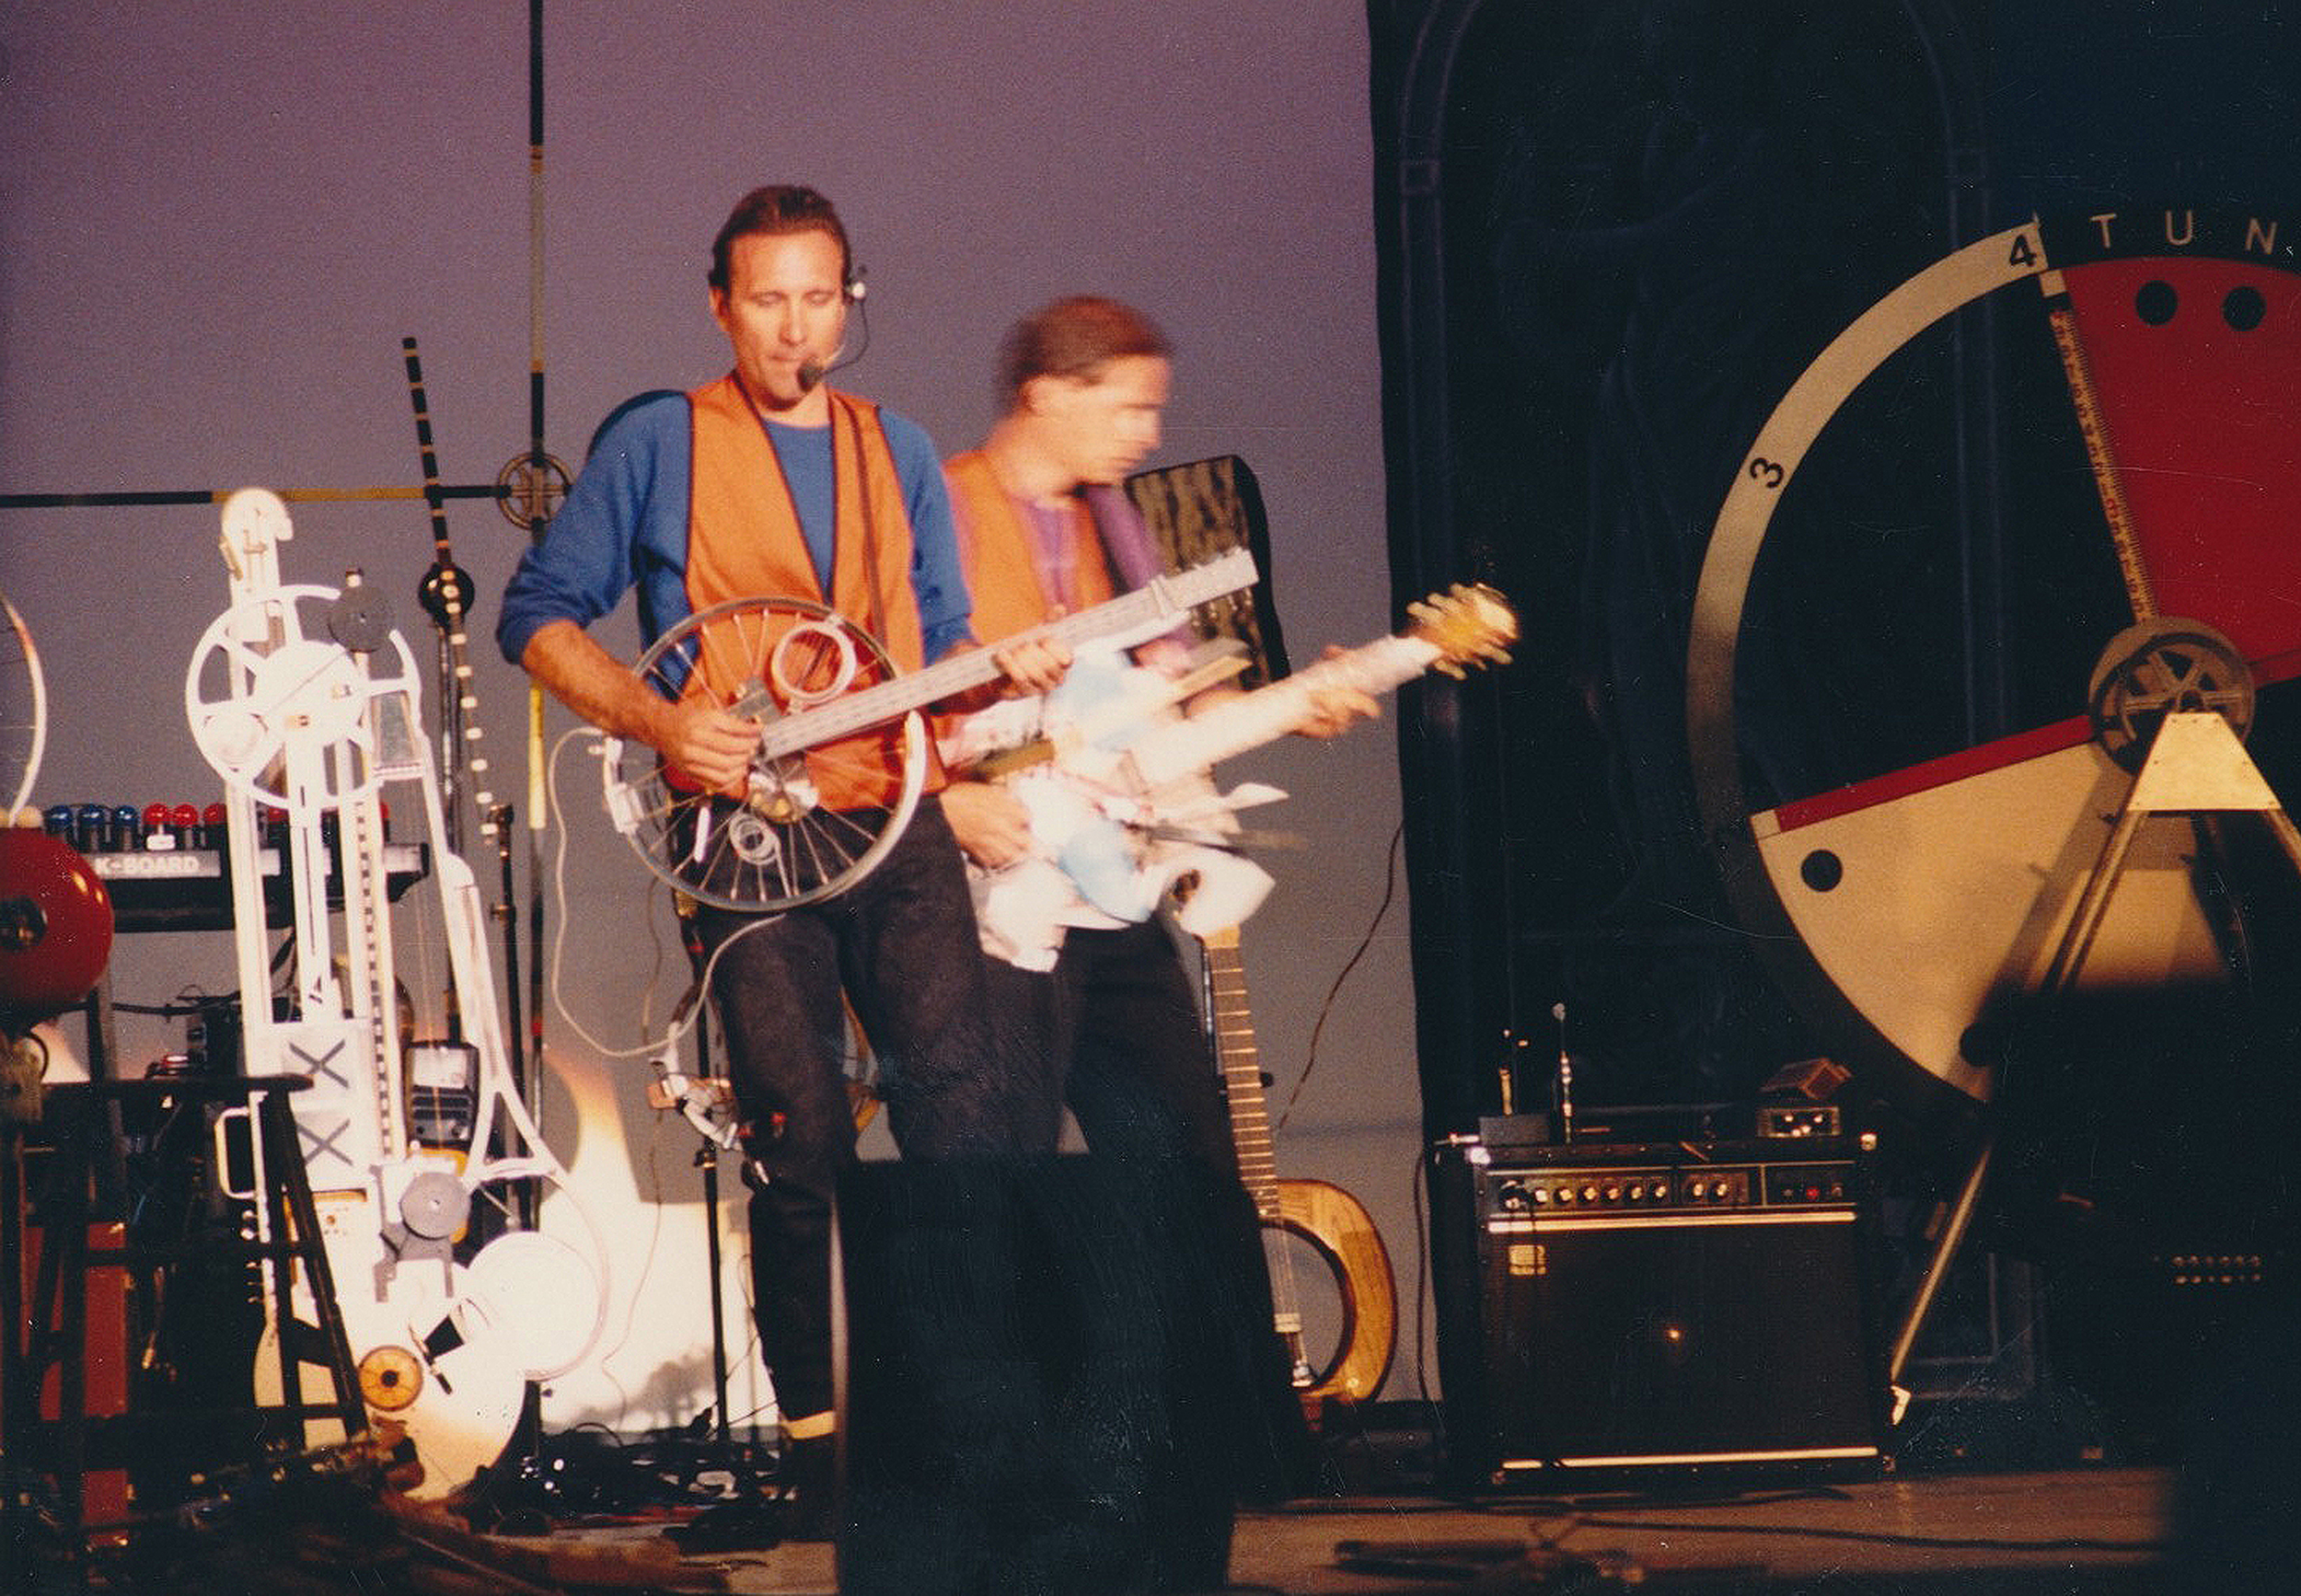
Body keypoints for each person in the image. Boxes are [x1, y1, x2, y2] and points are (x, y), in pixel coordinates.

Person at [496, 185, 1063, 1536]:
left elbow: (935, 652)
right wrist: (659, 719)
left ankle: (969, 1437)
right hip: (741, 840)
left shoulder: (901, 448)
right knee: (798, 1135)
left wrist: (1001, 695)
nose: (793, 326)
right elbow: (539, 614)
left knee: (962, 1120)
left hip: (894, 818)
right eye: (766, 298)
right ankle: (824, 1461)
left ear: (850, 303)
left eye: (819, 298)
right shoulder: (658, 440)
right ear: (720, 303)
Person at [938, 295, 1375, 1496]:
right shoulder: (946, 511)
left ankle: (1251, 1457)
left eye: (1153, 408)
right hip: (1000, 894)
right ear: (1050, 392)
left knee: (1189, 1149)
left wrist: (1301, 699)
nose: (1143, 430)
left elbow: (1159, 721)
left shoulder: (1120, 528)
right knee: (1007, 1160)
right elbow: (902, 701)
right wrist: (945, 801)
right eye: (1125, 405)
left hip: (1110, 887)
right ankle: (1003, 1459)